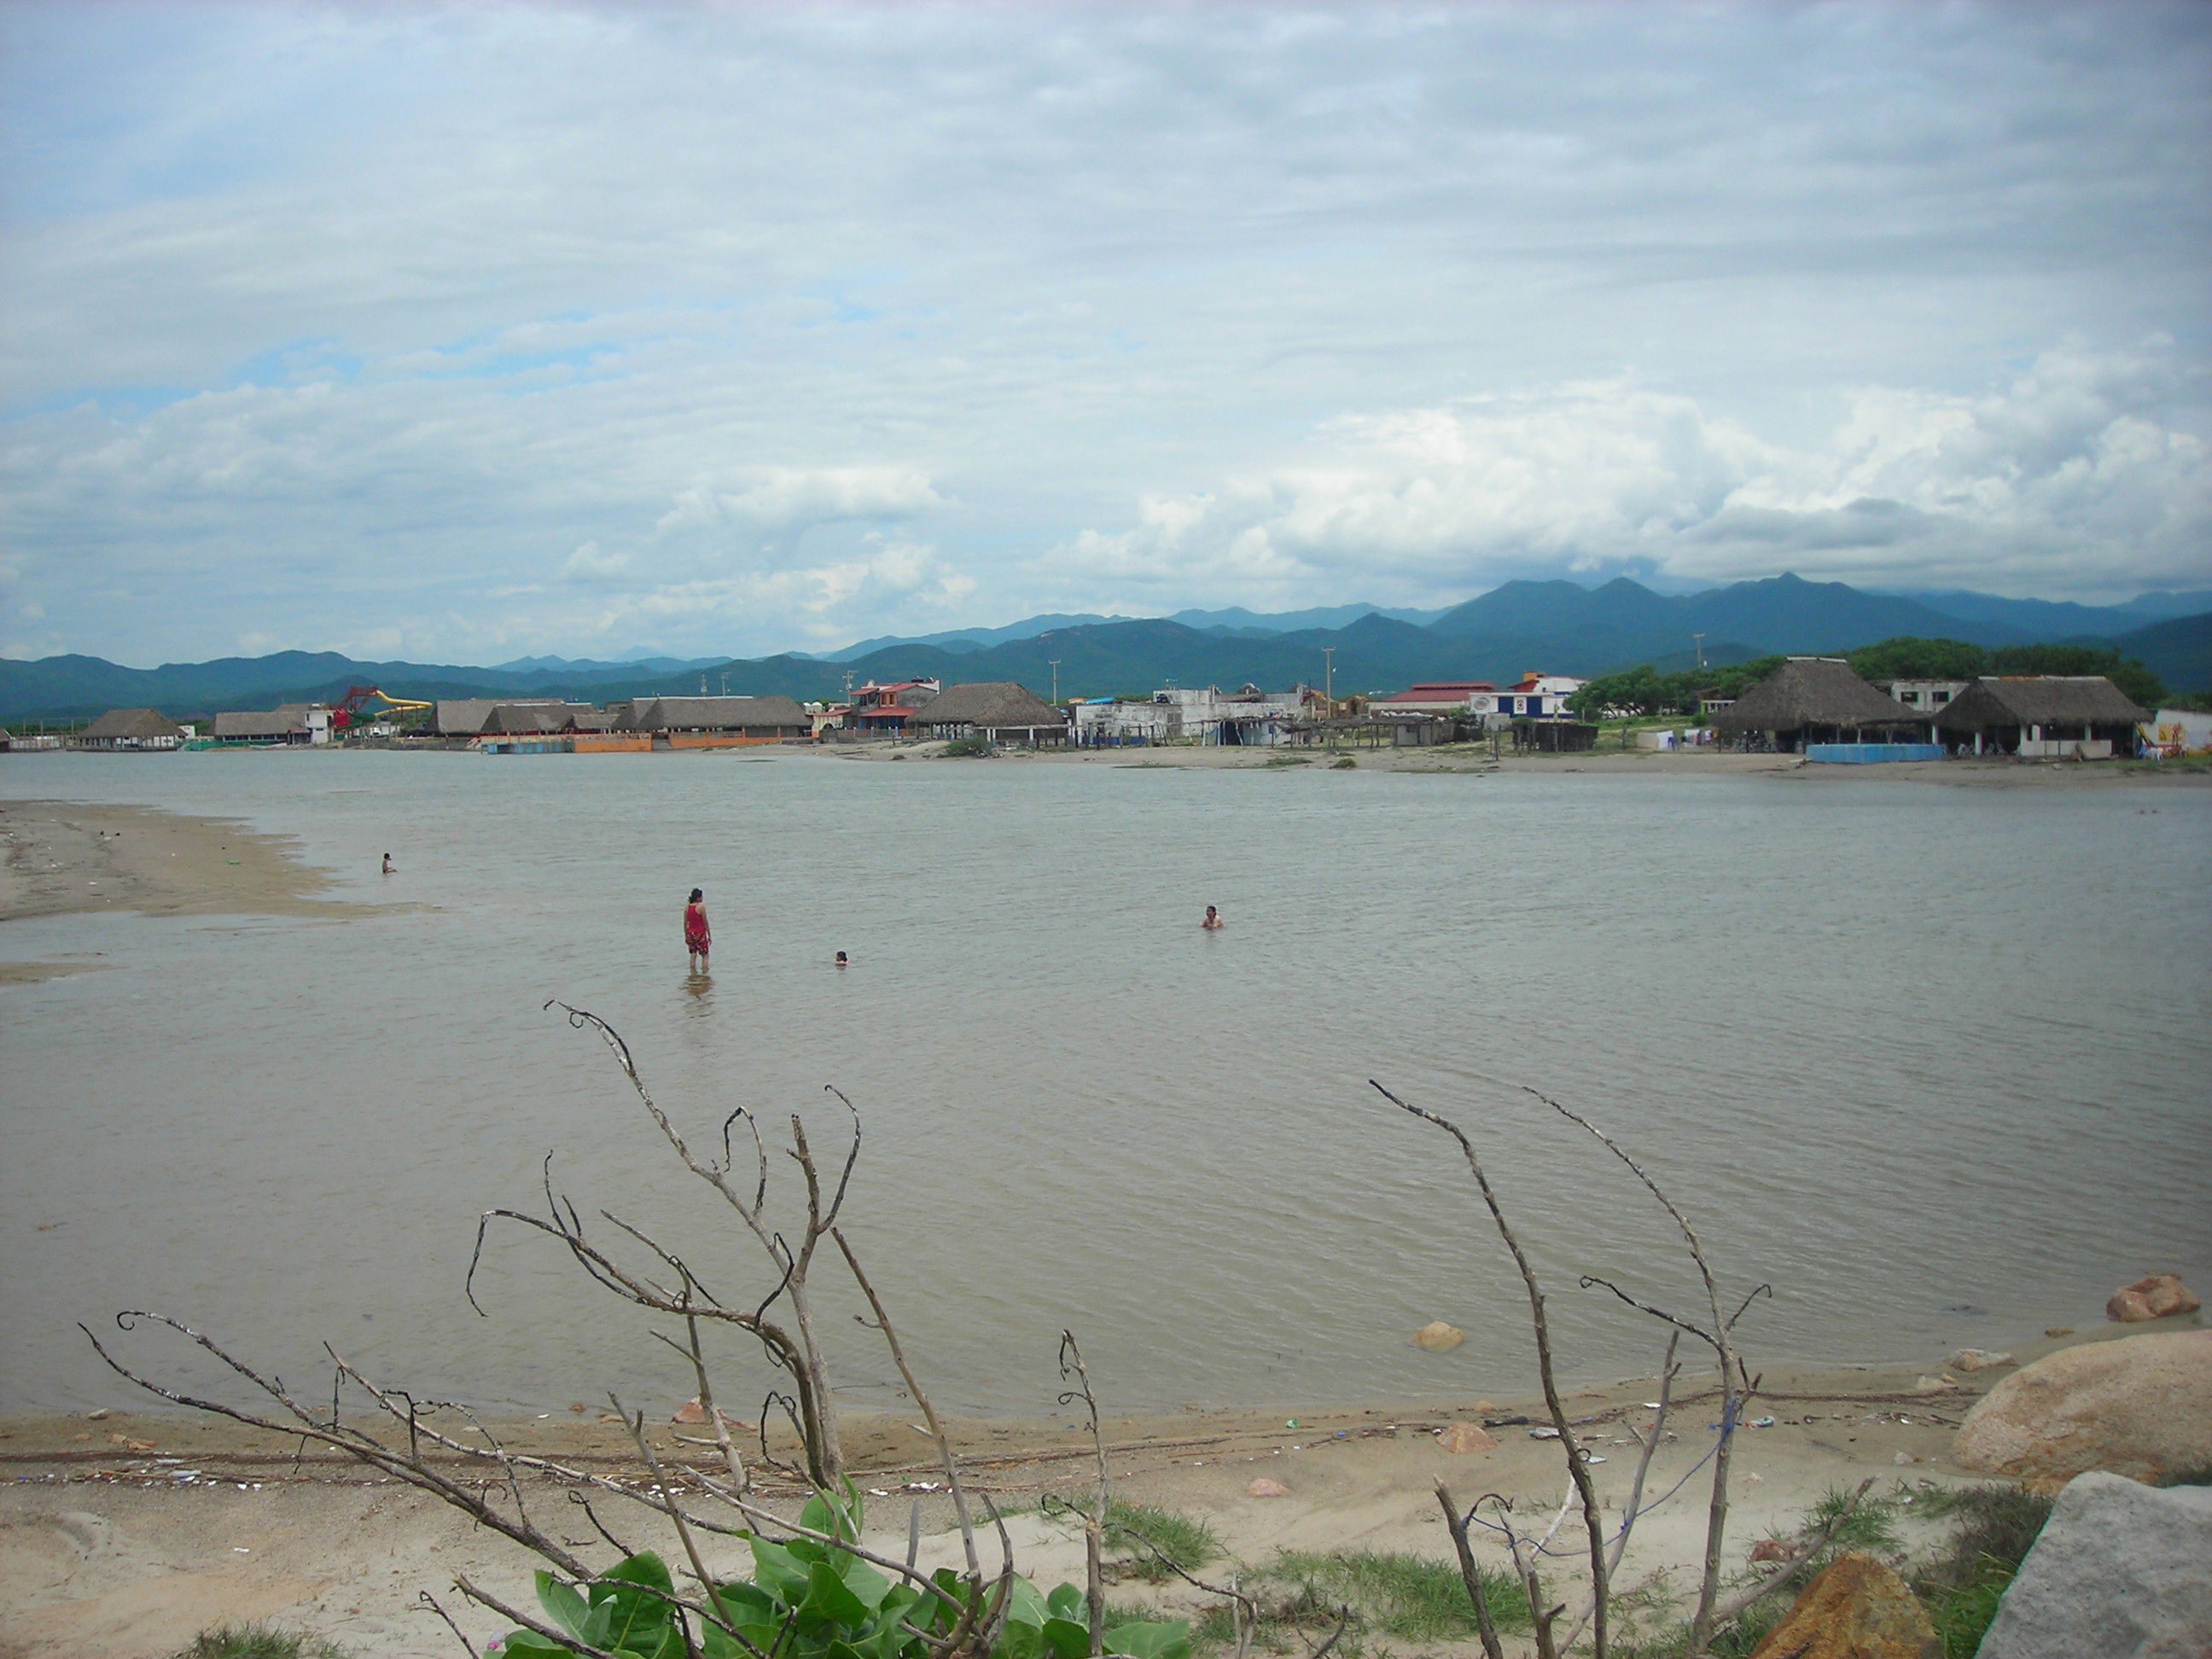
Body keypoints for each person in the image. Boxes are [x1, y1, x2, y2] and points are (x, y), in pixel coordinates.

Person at [684, 888, 712, 971]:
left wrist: (686, 935)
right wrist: (709, 935)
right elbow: (705, 922)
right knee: (705, 955)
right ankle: (705, 973)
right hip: (700, 933)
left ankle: (693, 972)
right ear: (698, 897)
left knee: (693, 954)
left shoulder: (687, 908)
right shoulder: (701, 907)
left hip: (690, 933)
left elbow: (685, 923)